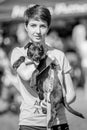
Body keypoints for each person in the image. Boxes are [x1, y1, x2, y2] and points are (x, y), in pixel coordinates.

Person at [10, 4, 76, 130]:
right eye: (33, 25)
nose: (38, 31)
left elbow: (71, 93)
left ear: (48, 28)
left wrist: (54, 102)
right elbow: (26, 75)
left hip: (58, 122)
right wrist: (41, 55)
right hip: (30, 124)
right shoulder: (19, 53)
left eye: (43, 26)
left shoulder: (59, 55)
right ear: (26, 27)